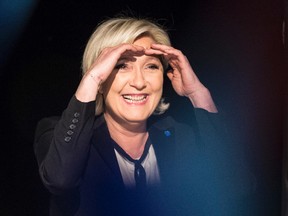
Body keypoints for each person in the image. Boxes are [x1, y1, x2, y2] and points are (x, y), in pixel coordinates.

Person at [34, 15, 255, 216]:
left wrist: (198, 93)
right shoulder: (60, 136)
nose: (139, 82)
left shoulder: (181, 136)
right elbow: (60, 180)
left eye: (151, 66)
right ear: (100, 77)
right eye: (122, 66)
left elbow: (238, 184)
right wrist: (91, 80)